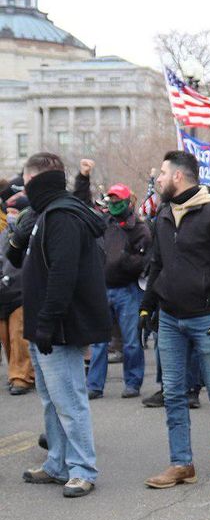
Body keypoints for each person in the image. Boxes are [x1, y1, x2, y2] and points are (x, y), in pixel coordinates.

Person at [5, 152, 109, 497]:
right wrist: (19, 234)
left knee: (69, 400)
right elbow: (21, 258)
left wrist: (48, 323)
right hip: (42, 324)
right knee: (52, 400)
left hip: (61, 326)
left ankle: (82, 469)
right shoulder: (44, 214)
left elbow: (63, 275)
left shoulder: (63, 216)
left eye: (26, 180)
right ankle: (57, 463)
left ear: (37, 181)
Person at [141, 151, 210, 489]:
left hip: (207, 318)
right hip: (170, 318)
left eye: (163, 173)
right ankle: (181, 464)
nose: (158, 179)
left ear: (179, 177)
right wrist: (146, 307)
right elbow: (157, 264)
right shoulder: (164, 214)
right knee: (172, 393)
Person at [85, 183, 149, 400]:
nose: (113, 203)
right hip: (103, 289)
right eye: (110, 199)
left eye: (117, 199)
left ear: (128, 201)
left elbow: (146, 263)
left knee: (131, 341)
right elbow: (84, 207)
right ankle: (94, 385)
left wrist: (124, 259)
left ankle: (133, 382)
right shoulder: (105, 223)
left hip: (128, 290)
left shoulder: (140, 228)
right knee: (99, 342)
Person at [1, 194, 34, 396]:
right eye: (9, 212)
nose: (11, 215)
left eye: (16, 211)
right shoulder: (3, 234)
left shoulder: (29, 233)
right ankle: (16, 372)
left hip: (20, 292)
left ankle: (21, 376)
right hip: (2, 292)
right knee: (6, 339)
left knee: (19, 337)